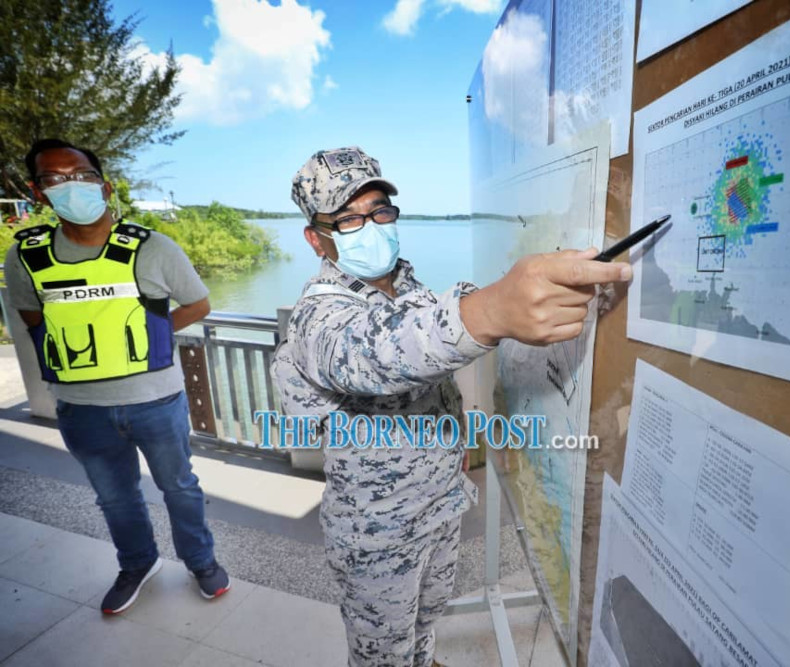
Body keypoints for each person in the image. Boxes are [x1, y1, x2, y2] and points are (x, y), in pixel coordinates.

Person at [272, 146, 631, 666]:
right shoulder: (319, 315)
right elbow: (375, 353)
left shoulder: (407, 285)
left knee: (426, 616)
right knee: (382, 652)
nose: (371, 224)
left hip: (439, 503)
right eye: (348, 218)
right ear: (316, 238)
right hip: (379, 530)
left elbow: (429, 364)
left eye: (379, 211)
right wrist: (492, 309)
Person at [4, 138, 230, 614]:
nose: (71, 186)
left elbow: (200, 303)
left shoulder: (153, 247)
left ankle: (201, 561)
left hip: (156, 400)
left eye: (81, 176)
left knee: (179, 487)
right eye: (54, 179)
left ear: (104, 186)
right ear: (38, 192)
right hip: (81, 408)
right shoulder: (26, 256)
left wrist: (148, 336)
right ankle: (137, 563)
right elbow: (29, 315)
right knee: (113, 496)